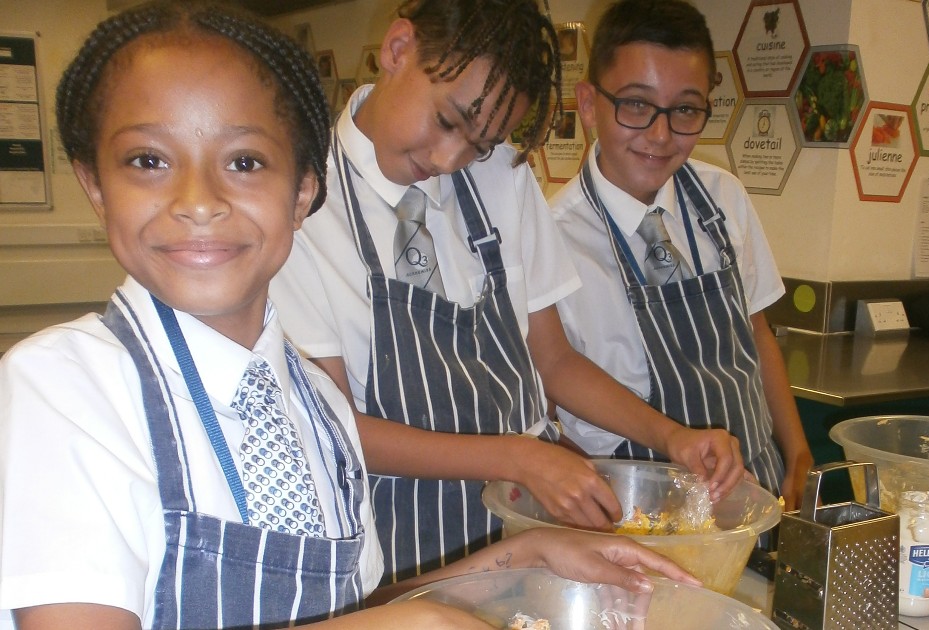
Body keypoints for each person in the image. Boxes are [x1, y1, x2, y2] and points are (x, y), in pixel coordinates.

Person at [0, 3, 701, 628]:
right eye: (148, 159)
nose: (199, 199)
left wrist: (524, 557)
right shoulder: (64, 388)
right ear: (94, 183)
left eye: (244, 162)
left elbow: (354, 609)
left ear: (304, 192)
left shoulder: (316, 412)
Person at [269, 0, 744, 585]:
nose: (450, 159)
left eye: (481, 142)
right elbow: (336, 431)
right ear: (398, 50)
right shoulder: (298, 206)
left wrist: (671, 437)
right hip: (402, 552)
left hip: (528, 533)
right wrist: (518, 455)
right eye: (449, 121)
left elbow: (554, 360)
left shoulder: (501, 178)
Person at [549, 0, 813, 515]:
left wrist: (798, 454)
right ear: (587, 103)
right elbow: (549, 402)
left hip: (753, 497)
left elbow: (757, 333)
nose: (661, 134)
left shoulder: (723, 199)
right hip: (635, 515)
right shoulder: (553, 238)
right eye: (636, 105)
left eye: (685, 110)